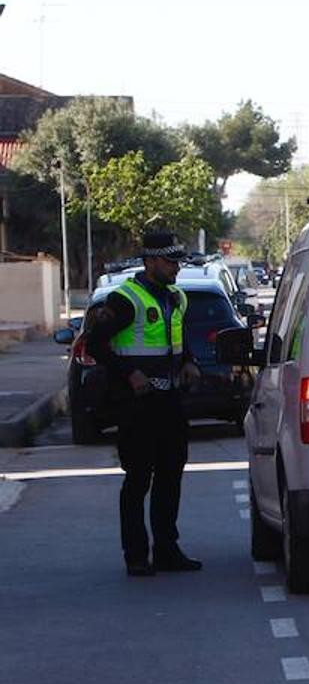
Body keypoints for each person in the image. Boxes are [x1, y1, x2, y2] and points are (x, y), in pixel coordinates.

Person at [86, 231, 203, 576]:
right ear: (150, 261)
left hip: (170, 402)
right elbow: (95, 344)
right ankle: (136, 555)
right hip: (136, 405)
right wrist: (129, 373)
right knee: (138, 480)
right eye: (169, 261)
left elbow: (178, 341)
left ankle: (167, 549)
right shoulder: (125, 300)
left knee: (171, 475)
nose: (176, 268)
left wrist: (189, 362)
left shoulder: (177, 298)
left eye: (177, 261)